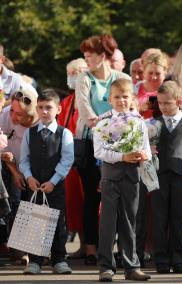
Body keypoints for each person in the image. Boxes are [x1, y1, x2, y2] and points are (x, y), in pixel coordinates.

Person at [75, 34, 131, 266]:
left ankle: (115, 247)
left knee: (116, 197)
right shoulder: (83, 78)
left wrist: (114, 127)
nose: (86, 59)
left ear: (104, 55)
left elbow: (129, 106)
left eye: (91, 55)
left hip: (118, 142)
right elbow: (85, 108)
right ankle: (91, 247)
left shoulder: (122, 78)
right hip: (90, 142)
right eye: (85, 55)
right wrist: (104, 123)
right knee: (91, 195)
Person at [94, 78, 151, 282]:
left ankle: (131, 266)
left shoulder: (139, 122)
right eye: (117, 97)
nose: (121, 100)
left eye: (125, 96)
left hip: (132, 177)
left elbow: (147, 149)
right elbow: (99, 151)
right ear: (110, 99)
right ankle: (106, 266)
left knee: (129, 222)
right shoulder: (103, 122)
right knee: (108, 222)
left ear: (132, 98)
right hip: (110, 177)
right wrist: (121, 156)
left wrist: (145, 155)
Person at [19, 91, 74, 274]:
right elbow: (24, 159)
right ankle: (35, 261)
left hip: (55, 186)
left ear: (58, 109)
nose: (44, 111)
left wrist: (54, 180)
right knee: (35, 220)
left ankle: (58, 259)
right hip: (34, 185)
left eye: (48, 107)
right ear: (36, 108)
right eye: (41, 107)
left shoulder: (64, 133)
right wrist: (28, 177)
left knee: (58, 222)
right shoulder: (29, 133)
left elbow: (67, 160)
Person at [152, 81, 182, 274]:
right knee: (159, 218)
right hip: (158, 177)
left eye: (167, 103)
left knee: (177, 218)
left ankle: (178, 258)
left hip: (181, 177)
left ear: (178, 101)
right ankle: (161, 259)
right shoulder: (153, 124)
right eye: (160, 103)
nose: (163, 107)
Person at [0, 87, 38, 264]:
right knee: (15, 203)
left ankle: (35, 251)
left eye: (19, 114)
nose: (13, 117)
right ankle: (19, 251)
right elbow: (3, 149)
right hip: (11, 164)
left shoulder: (40, 121)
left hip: (35, 166)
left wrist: (29, 174)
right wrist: (15, 172)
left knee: (33, 204)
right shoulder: (6, 114)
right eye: (13, 111)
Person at [57, 58, 88, 259]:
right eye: (72, 72)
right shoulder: (66, 102)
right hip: (68, 160)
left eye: (80, 71)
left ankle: (91, 245)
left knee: (89, 201)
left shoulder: (91, 97)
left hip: (88, 157)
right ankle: (83, 244)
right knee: (73, 203)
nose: (75, 75)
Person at [137, 52, 168, 118]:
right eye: (150, 73)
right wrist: (139, 110)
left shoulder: (170, 91)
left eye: (158, 73)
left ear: (165, 73)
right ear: (144, 72)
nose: (154, 77)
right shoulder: (134, 88)